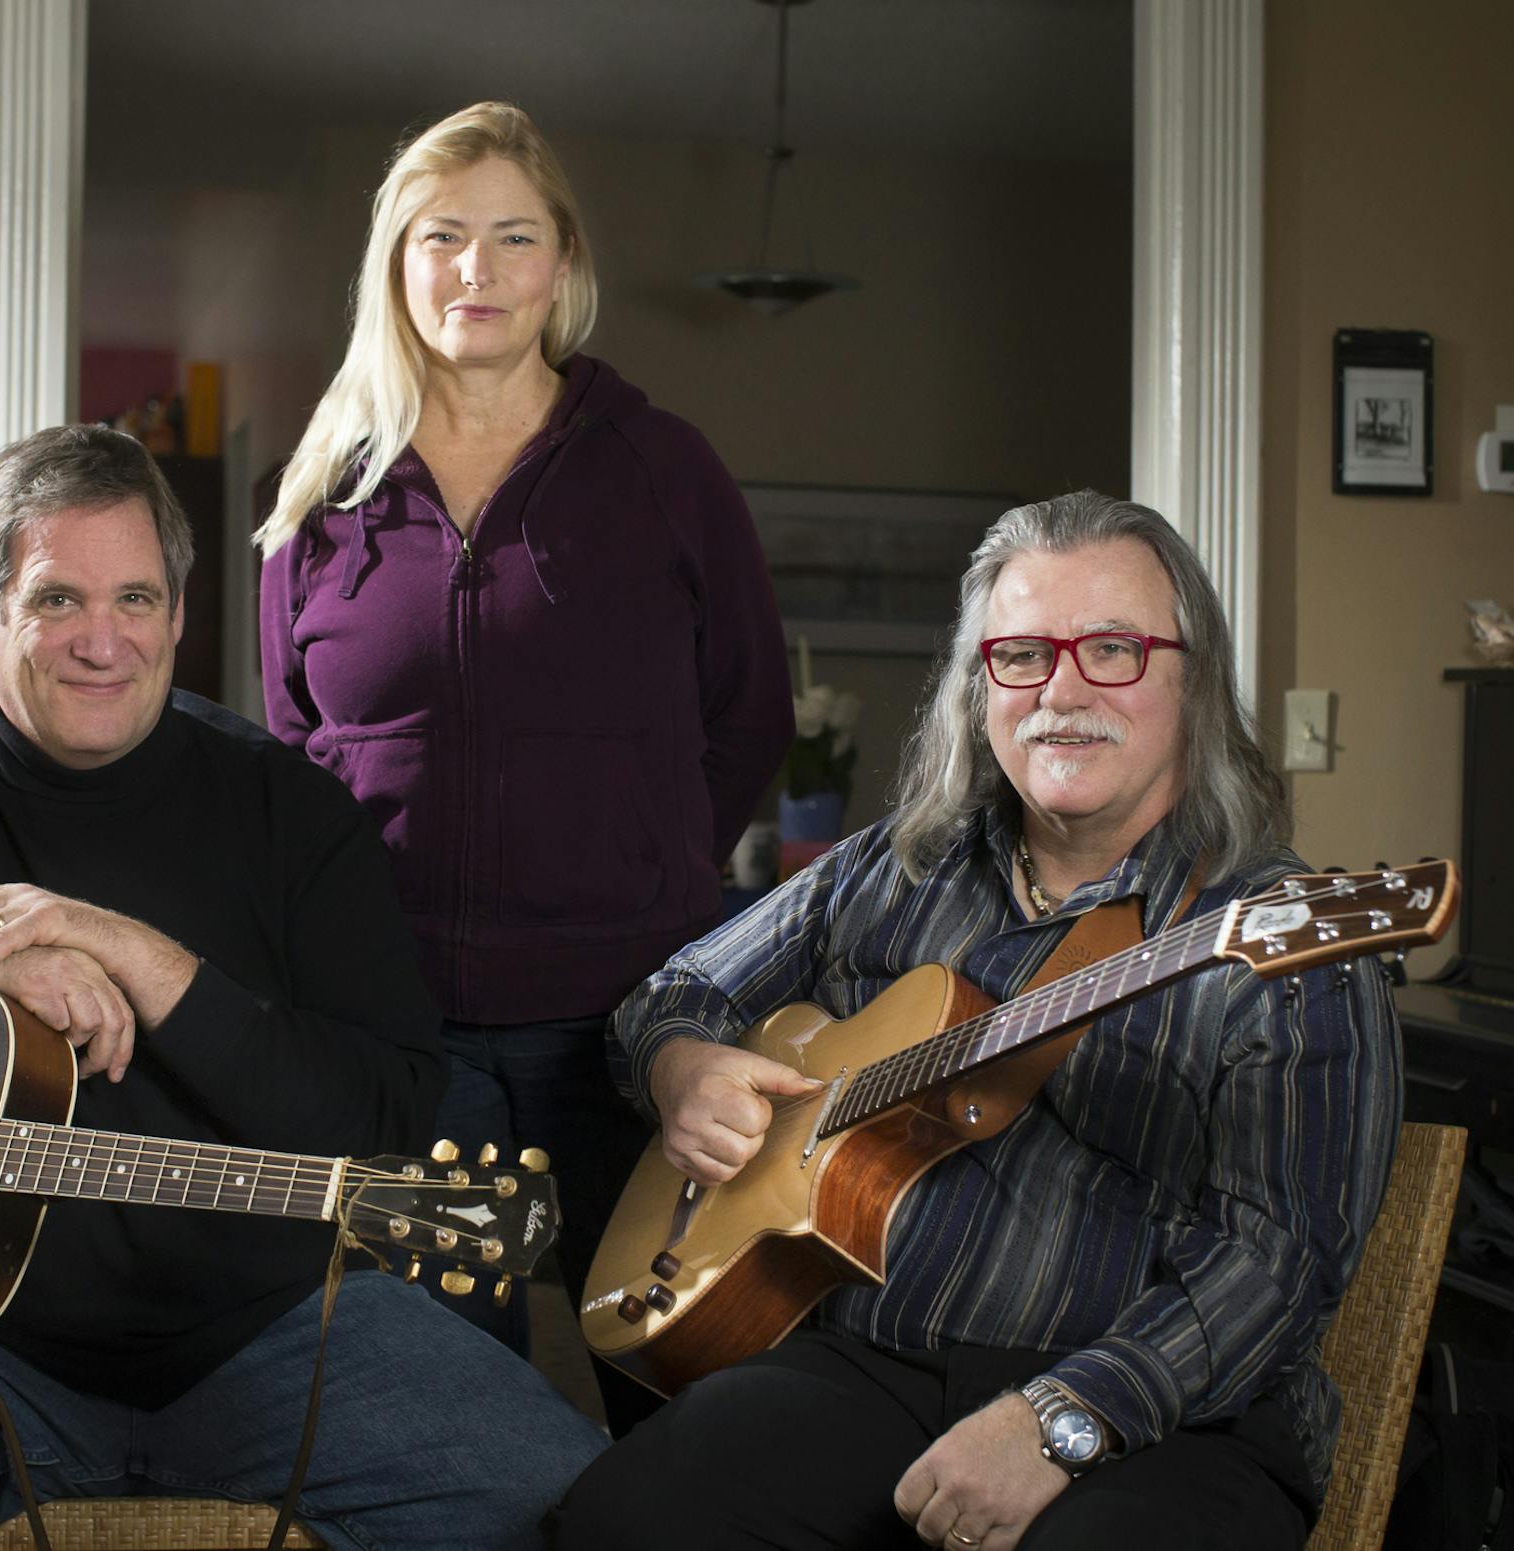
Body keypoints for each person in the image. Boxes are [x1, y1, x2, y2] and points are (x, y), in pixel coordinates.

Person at [0, 424, 606, 1550]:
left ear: (178, 611)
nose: (103, 641)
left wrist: (140, 957)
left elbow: (385, 1114)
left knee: (562, 1491)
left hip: (268, 1336)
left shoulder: (292, 814)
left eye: (136, 598)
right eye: (57, 600)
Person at [549, 490, 1401, 1551]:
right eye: (1023, 655)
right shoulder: (893, 868)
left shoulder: (1291, 941)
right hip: (867, 1366)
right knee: (621, 1521)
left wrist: (1060, 1419)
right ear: (978, 685)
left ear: (1194, 679)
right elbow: (673, 994)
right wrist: (681, 1068)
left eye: (1113, 650)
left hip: (1168, 1417)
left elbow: (1277, 1262)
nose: (1062, 692)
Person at [257, 101, 793, 1416]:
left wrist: (642, 867)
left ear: (563, 265)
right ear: (396, 263)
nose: (476, 269)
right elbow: (293, 757)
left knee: (675, 1395)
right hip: (402, 1032)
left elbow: (751, 713)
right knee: (445, 1412)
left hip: (630, 1029)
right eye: (442, 236)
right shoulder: (324, 496)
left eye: (513, 236)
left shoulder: (663, 468)